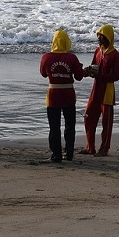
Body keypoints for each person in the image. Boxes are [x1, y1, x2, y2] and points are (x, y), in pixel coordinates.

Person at [40, 29, 84, 162]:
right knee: (70, 126)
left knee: (54, 127)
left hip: (53, 96)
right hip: (68, 96)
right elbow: (79, 76)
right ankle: (69, 153)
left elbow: (43, 74)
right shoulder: (71, 58)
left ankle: (56, 155)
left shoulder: (46, 57)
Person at [80, 24, 119, 157]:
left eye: (101, 36)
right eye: (98, 36)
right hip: (95, 90)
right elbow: (94, 66)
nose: (98, 38)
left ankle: (104, 148)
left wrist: (101, 76)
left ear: (108, 37)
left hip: (107, 92)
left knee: (106, 123)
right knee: (88, 117)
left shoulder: (115, 55)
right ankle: (90, 147)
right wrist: (85, 72)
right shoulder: (97, 51)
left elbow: (117, 75)